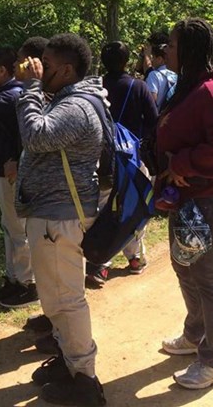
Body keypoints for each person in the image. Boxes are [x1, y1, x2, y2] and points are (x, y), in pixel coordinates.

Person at [15, 33, 107, 406]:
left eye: (47, 66)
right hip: (57, 215)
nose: (40, 68)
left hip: (59, 217)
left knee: (66, 300)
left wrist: (31, 89)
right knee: (57, 298)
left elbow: (36, 137)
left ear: (67, 70)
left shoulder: (76, 107)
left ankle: (84, 381)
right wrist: (39, 86)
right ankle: (72, 364)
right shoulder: (74, 98)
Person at [154, 17, 213, 390]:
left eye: (173, 45)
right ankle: (196, 333)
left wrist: (181, 164)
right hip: (186, 201)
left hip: (209, 200)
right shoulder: (188, 86)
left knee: (209, 280)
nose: (166, 50)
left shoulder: (211, 91)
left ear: (191, 51)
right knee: (185, 269)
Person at [87, 41, 158, 280]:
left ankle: (100, 260)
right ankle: (134, 257)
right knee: (134, 207)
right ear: (127, 61)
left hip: (102, 159)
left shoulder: (96, 88)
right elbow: (153, 121)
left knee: (104, 208)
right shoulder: (138, 86)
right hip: (131, 157)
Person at [0, 47, 36, 308]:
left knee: (17, 229)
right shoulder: (6, 93)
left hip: (10, 174)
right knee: (9, 227)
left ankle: (27, 284)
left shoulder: (10, 96)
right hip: (3, 172)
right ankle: (14, 279)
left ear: (2, 70)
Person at [146, 43, 177, 110]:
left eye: (153, 57)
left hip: (157, 116)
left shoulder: (154, 75)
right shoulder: (176, 74)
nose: (151, 60)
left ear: (159, 59)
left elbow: (151, 102)